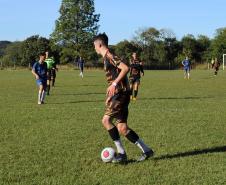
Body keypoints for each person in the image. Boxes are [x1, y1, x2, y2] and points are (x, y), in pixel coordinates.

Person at [93, 33, 154, 163]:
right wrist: (110, 94)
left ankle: (121, 153)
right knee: (122, 128)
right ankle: (147, 150)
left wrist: (115, 84)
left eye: (94, 46)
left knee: (106, 120)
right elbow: (114, 78)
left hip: (121, 94)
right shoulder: (106, 57)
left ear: (99, 44)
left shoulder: (109, 55)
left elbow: (125, 68)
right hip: (118, 94)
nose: (94, 49)